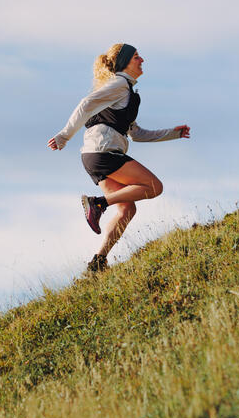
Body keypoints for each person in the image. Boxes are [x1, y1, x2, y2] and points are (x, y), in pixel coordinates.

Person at [48, 43, 190, 273]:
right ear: (124, 62)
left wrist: (173, 133)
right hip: (103, 152)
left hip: (93, 157)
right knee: (154, 186)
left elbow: (136, 134)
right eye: (136, 57)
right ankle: (98, 203)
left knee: (127, 210)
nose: (142, 60)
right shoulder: (120, 85)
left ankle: (98, 262)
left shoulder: (128, 95)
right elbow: (86, 104)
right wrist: (64, 135)